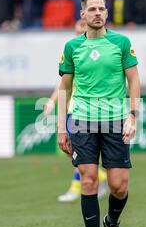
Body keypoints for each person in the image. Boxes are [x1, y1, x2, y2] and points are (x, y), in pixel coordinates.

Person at [58, 0, 140, 227]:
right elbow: (64, 88)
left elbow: (134, 80)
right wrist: (61, 127)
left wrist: (133, 115)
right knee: (89, 180)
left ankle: (112, 222)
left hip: (116, 120)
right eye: (92, 9)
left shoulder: (121, 42)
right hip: (81, 120)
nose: (97, 13)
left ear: (106, 13)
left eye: (101, 9)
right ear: (82, 15)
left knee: (119, 186)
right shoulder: (72, 47)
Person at [44, 19, 108, 203]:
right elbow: (63, 84)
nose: (79, 31)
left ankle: (80, 185)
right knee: (73, 151)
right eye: (76, 28)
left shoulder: (100, 51)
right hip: (73, 109)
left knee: (79, 152)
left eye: (81, 27)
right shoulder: (74, 51)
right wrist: (51, 101)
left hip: (91, 111)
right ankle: (97, 177)